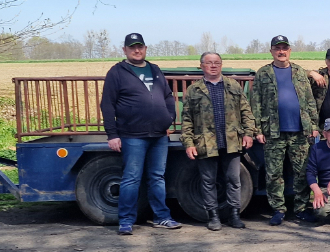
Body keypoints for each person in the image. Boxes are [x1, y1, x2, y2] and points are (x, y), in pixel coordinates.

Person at [100, 32, 181, 235]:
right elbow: (107, 104)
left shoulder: (154, 69)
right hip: (132, 135)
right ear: (125, 50)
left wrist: (168, 118)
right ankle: (126, 221)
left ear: (145, 48)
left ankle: (162, 217)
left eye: (140, 47)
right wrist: (112, 134)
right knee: (131, 178)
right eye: (132, 47)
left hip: (159, 135)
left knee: (157, 177)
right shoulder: (117, 72)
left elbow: (168, 96)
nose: (137, 50)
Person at [181, 52, 256, 230]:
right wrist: (189, 143)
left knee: (233, 179)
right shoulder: (194, 90)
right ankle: (213, 217)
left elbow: (246, 111)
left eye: (217, 63)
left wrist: (248, 133)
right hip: (206, 143)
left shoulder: (233, 85)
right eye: (209, 63)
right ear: (201, 66)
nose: (213, 66)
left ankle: (234, 215)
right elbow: (187, 119)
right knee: (208, 181)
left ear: (221, 65)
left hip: (231, 141)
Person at [250, 35, 319, 226]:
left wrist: (314, 125)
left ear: (289, 51)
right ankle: (278, 209)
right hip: (274, 131)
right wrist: (257, 130)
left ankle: (301, 209)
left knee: (302, 171)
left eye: (284, 48)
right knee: (274, 173)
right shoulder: (263, 73)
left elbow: (310, 100)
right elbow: (255, 103)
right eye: (277, 48)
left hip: (300, 131)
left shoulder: (298, 72)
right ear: (271, 51)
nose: (281, 51)